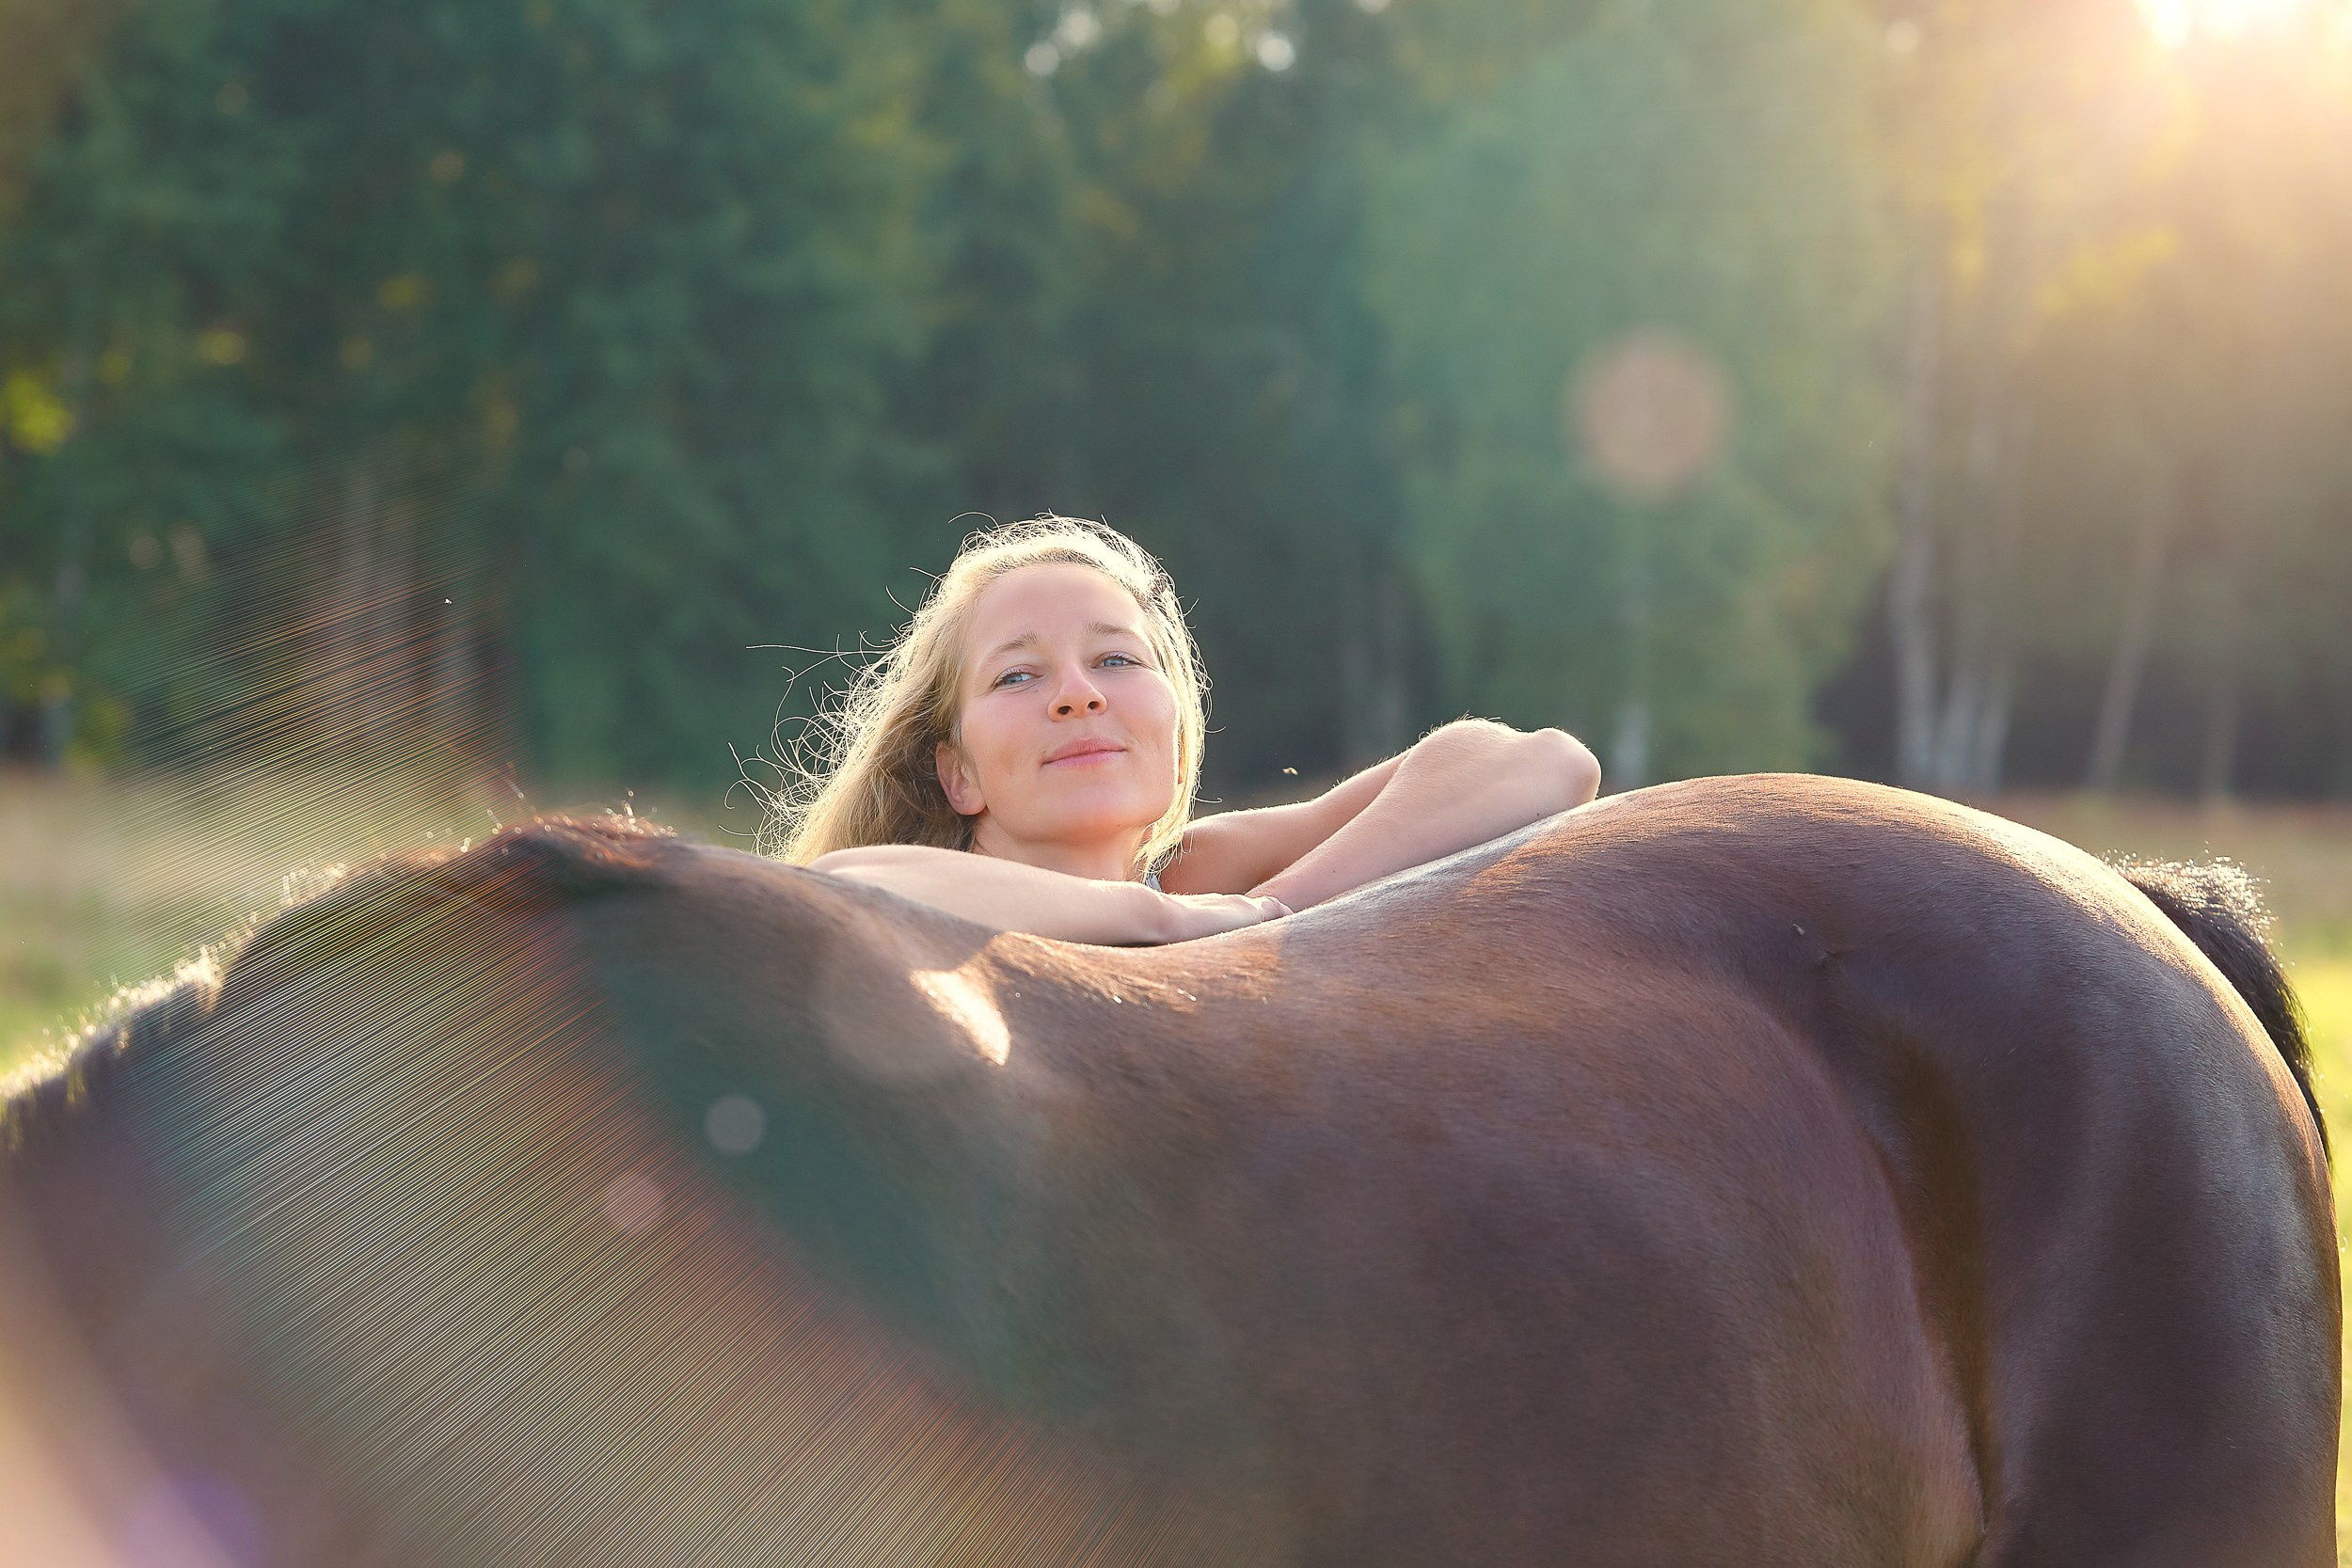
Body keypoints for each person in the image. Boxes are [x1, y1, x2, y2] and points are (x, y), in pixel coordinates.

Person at [769, 517, 1601, 943]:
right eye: (1018, 675)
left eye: (1118, 660)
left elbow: (1536, 762)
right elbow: (846, 878)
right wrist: (1169, 926)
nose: (1078, 695)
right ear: (959, 776)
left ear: (1173, 727)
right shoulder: (935, 888)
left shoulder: (1198, 872)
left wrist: (1265, 912)